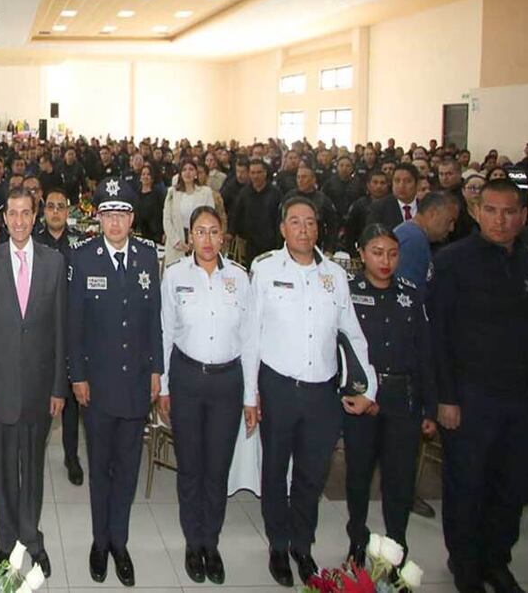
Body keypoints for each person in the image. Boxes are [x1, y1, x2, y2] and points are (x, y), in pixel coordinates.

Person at [243, 196, 376, 588]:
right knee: (274, 472)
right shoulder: (265, 272)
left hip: (322, 393)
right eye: (295, 222)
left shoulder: (334, 275)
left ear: (318, 228)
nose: (304, 229)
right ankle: (278, 545)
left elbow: (352, 332)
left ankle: (303, 543)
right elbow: (251, 337)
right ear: (282, 228)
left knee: (311, 475)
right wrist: (250, 395)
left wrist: (369, 383)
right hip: (278, 386)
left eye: (310, 222)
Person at [429, 179, 528, 593]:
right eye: (491, 210)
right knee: (468, 484)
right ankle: (466, 563)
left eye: (510, 211)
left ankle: (497, 559)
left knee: (513, 485)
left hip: (525, 401)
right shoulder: (454, 261)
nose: (501, 219)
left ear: (523, 215)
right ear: (477, 213)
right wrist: (445, 397)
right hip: (471, 398)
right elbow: (437, 334)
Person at [68, 178, 162, 587]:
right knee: (100, 468)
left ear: (131, 218)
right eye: (108, 213)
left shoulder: (145, 257)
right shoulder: (83, 258)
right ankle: (98, 540)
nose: (115, 221)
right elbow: (74, 326)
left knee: (127, 469)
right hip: (98, 385)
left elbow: (154, 319)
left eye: (122, 213)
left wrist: (157, 369)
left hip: (137, 382)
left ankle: (118, 542)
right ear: (99, 218)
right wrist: (77, 376)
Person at [0, 186, 66, 577]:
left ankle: (32, 536)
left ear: (36, 216)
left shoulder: (54, 262)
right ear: (4, 218)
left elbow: (61, 331)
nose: (18, 220)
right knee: (5, 473)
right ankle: (5, 538)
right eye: (11, 213)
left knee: (33, 470)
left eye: (25, 213)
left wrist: (58, 387)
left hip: (39, 388)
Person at [157, 205, 249, 586]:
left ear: (223, 235)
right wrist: (162, 386)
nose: (207, 240)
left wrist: (252, 395)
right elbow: (164, 331)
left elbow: (251, 338)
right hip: (187, 378)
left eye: (214, 232)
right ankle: (193, 542)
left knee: (217, 467)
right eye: (200, 232)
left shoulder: (241, 279)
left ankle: (212, 542)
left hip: (228, 382)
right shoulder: (175, 276)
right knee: (191, 467)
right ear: (189, 236)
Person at [342, 224, 436, 566]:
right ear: (362, 253)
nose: (386, 261)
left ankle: (397, 547)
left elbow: (425, 351)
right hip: (363, 400)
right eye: (378, 253)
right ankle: (357, 537)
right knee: (358, 475)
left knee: (399, 479)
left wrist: (430, 405)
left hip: (402, 399)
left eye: (393, 254)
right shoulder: (348, 293)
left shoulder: (411, 293)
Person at [33, 188, 84, 486]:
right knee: (40, 399)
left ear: (67, 211)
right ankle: (34, 453)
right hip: (40, 334)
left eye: (60, 207)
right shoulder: (33, 242)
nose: (55, 211)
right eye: (50, 206)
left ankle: (71, 456)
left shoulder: (80, 244)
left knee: (70, 401)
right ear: (44, 211)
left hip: (70, 331)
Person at [393, 191, 459, 298]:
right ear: (432, 213)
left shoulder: (410, 234)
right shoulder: (414, 241)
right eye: (450, 221)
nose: (452, 228)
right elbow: (407, 294)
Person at [228, 161, 281, 266]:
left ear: (265, 173)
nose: (255, 176)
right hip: (251, 244)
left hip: (270, 244)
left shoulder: (275, 193)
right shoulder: (244, 193)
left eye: (259, 172)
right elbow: (236, 214)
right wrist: (231, 233)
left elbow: (279, 219)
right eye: (253, 173)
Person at [163, 159, 215, 265]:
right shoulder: (172, 192)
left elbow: (210, 219)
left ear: (196, 173)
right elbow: (167, 219)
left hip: (198, 243)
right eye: (184, 170)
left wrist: (196, 240)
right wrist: (176, 241)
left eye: (191, 169)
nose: (187, 173)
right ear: (180, 174)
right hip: (176, 245)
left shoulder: (206, 192)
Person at [366, 163, 419, 229]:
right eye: (397, 181)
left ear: (417, 184)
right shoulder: (379, 208)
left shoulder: (425, 206)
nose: (401, 186)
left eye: (407, 181)